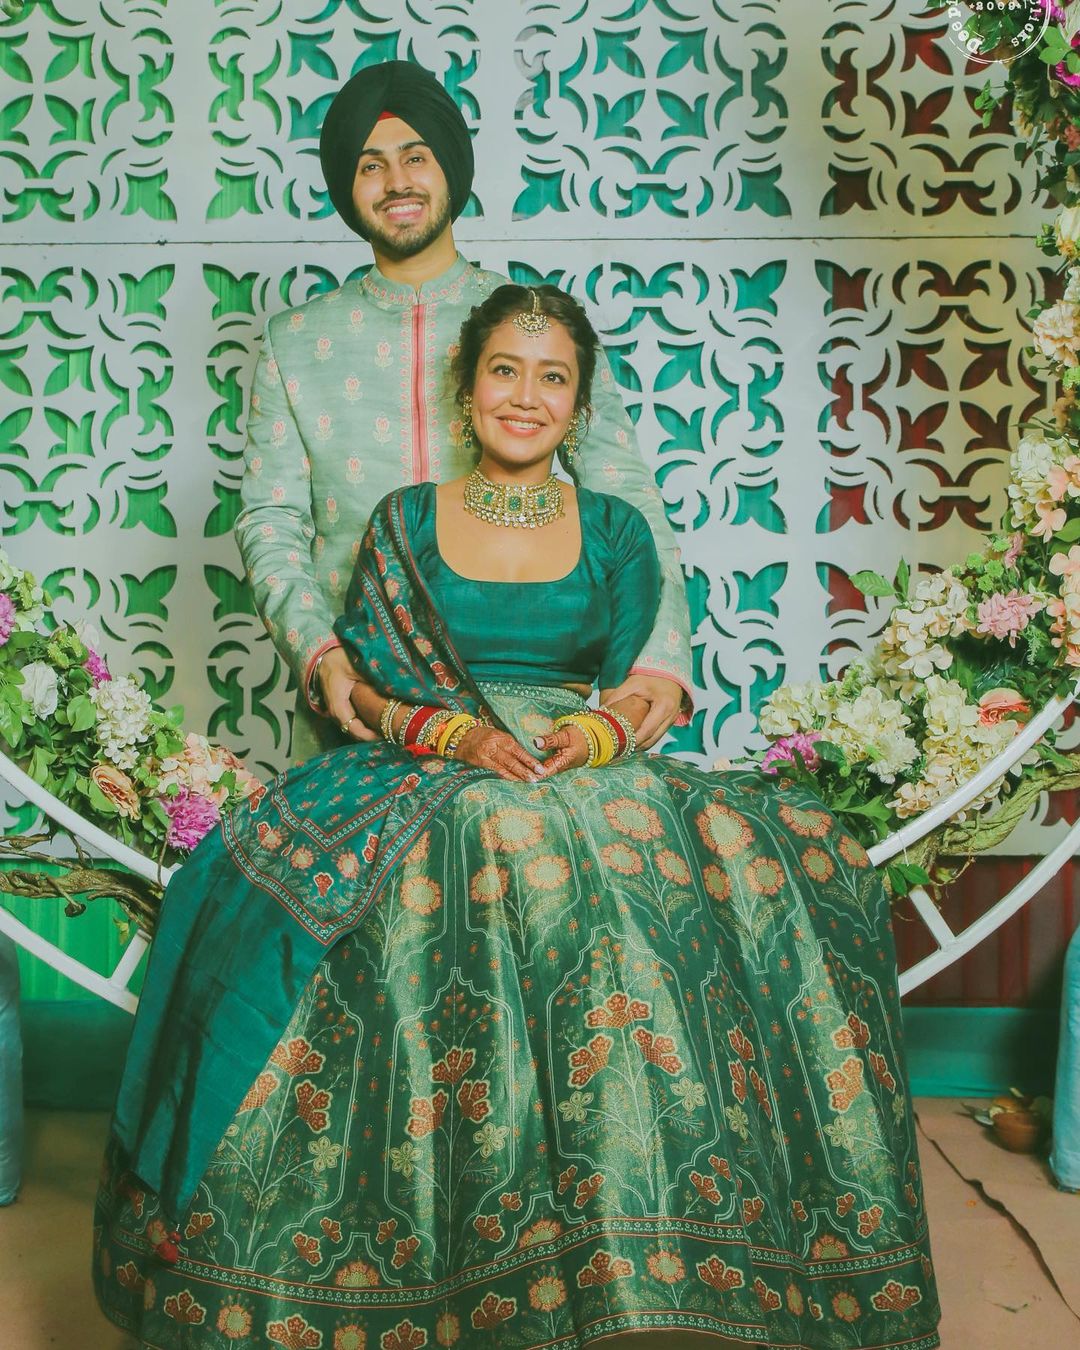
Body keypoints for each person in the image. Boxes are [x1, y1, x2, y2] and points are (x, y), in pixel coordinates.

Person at [93, 285, 940, 1350]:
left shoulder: (618, 530)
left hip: (583, 764)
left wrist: (582, 741)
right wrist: (457, 740)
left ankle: (643, 1239)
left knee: (756, 866)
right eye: (505, 370)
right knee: (479, 840)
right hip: (425, 765)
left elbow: (645, 692)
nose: (525, 396)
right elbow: (374, 694)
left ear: (580, 407)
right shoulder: (405, 520)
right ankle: (468, 1249)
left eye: (553, 378)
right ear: (467, 387)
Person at [236, 59, 692, 766]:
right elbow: (271, 522)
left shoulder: (527, 321)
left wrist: (656, 662)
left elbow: (625, 488)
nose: (397, 184)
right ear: (346, 188)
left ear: (449, 166)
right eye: (370, 166)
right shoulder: (295, 343)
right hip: (368, 702)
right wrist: (320, 656)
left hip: (532, 711)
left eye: (416, 158)